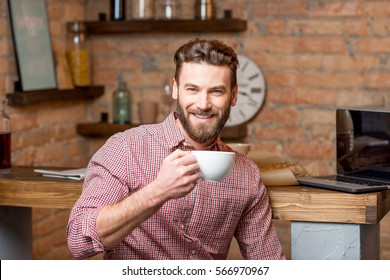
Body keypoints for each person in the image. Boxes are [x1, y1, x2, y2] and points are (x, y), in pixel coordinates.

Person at [67, 38, 285, 260]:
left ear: (234, 95)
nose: (203, 103)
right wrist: (159, 190)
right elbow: (78, 240)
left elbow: (269, 263)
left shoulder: (246, 174)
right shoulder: (126, 148)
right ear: (175, 89)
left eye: (216, 91)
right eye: (192, 89)